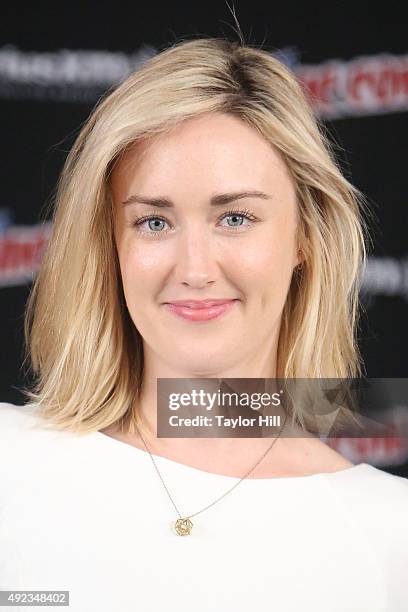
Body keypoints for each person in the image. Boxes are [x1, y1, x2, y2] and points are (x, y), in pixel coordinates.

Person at [0, 37, 407, 612]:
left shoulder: (392, 535)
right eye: (154, 222)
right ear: (108, 244)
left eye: (235, 217)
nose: (194, 269)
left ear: (305, 238)